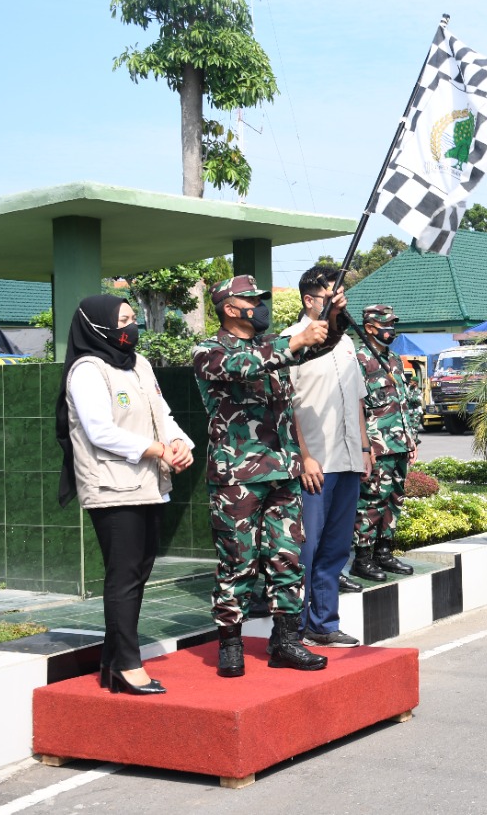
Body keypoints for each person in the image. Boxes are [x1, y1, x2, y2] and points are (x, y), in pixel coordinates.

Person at [193, 274, 344, 677]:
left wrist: (336, 316)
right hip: (237, 474)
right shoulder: (209, 350)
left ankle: (287, 641)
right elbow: (245, 366)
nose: (261, 307)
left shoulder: (270, 345)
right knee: (237, 561)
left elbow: (318, 347)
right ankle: (230, 643)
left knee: (287, 557)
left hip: (282, 470)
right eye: (253, 301)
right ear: (230, 308)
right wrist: (295, 341)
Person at [55, 295, 194, 695]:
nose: (132, 327)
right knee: (124, 576)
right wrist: (156, 449)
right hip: (112, 487)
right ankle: (128, 664)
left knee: (138, 573)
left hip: (148, 484)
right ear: (97, 327)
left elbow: (161, 414)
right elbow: (100, 431)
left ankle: (113, 663)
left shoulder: (140, 364)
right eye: (123, 320)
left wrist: (180, 444)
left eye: (133, 319)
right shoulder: (87, 370)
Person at [282, 265, 371, 650]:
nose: (340, 299)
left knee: (336, 548)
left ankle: (324, 622)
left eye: (342, 293)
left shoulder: (347, 343)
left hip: (348, 458)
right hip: (315, 463)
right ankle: (293, 629)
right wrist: (303, 456)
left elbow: (357, 399)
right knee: (306, 548)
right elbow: (286, 405)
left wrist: (366, 449)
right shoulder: (291, 342)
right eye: (331, 293)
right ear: (309, 299)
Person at [353, 304, 417, 580]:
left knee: (394, 499)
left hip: (400, 444)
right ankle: (362, 558)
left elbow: (405, 404)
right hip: (377, 447)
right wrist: (365, 449)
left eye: (393, 325)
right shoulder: (358, 360)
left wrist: (412, 440)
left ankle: (384, 552)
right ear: (369, 327)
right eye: (386, 325)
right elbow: (356, 409)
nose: (391, 330)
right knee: (371, 502)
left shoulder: (394, 360)